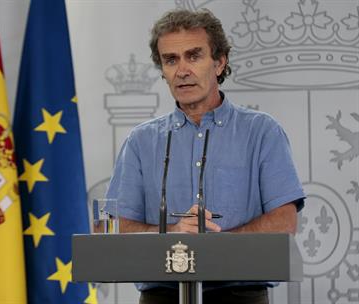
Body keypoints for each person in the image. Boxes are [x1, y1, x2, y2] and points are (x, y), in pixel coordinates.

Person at [106, 8, 305, 304]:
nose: (182, 70)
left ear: (219, 62)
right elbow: (117, 227)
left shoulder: (262, 132)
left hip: (240, 295)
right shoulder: (140, 141)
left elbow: (284, 222)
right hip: (162, 295)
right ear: (162, 69)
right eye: (170, 60)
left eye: (194, 56)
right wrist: (173, 235)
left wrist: (213, 247)